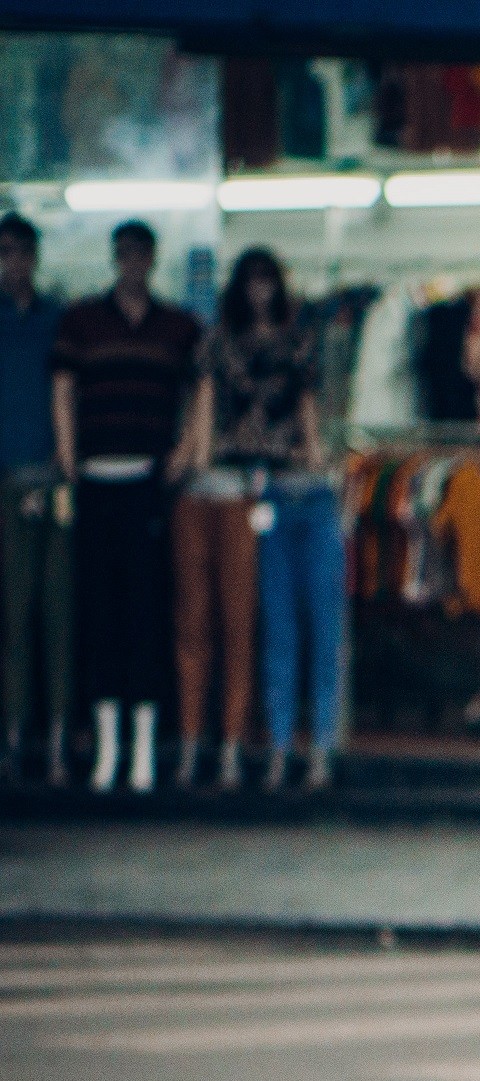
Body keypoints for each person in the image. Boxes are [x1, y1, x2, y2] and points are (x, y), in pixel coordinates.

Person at [52, 219, 201, 795]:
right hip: (94, 478)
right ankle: (106, 745)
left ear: (152, 261)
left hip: (147, 483)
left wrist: (186, 450)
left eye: (140, 254)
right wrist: (67, 451)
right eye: (123, 254)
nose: (130, 264)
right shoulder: (82, 321)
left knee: (145, 612)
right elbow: (62, 387)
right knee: (100, 613)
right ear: (114, 260)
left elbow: (200, 390)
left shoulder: (177, 326)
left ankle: (141, 748)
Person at [176, 247, 320, 790]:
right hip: (225, 479)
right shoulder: (218, 339)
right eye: (252, 280)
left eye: (268, 280)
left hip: (279, 482)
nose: (260, 291)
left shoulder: (297, 337)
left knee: (252, 623)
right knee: (201, 621)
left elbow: (305, 399)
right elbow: (206, 398)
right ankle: (199, 743)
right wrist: (199, 454)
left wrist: (313, 451)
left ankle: (241, 742)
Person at [0, 212, 67, 783]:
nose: (12, 264)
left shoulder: (55, 322)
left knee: (52, 611)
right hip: (3, 480)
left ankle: (52, 736)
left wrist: (56, 466)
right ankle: (14, 733)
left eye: (20, 252)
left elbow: (64, 397)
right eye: (4, 253)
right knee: (11, 612)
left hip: (47, 476)